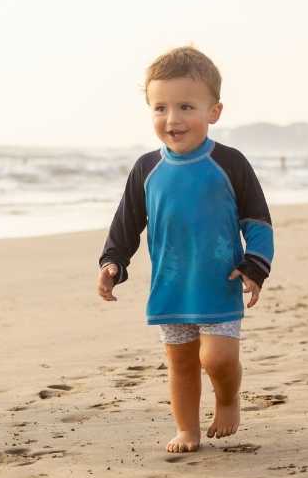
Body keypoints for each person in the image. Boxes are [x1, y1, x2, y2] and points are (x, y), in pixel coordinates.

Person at [97, 47, 274, 453]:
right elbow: (126, 224)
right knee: (180, 364)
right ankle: (187, 429)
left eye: (186, 107)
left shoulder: (230, 163)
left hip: (218, 282)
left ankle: (228, 399)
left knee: (216, 359)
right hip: (171, 285)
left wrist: (255, 266)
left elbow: (258, 222)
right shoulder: (146, 169)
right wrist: (112, 263)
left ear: (214, 111)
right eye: (160, 107)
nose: (172, 119)